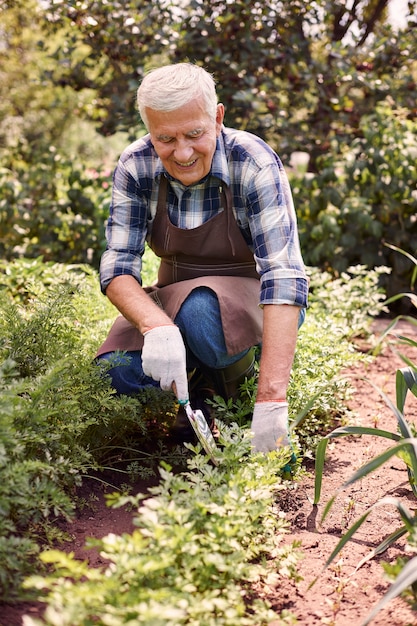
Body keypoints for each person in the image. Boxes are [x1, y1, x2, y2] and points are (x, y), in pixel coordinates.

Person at [96, 62, 308, 453]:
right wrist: (156, 327)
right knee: (117, 373)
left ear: (217, 116)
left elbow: (284, 276)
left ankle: (238, 400)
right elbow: (117, 265)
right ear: (150, 131)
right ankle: (193, 400)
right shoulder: (136, 164)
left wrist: (272, 401)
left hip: (250, 300)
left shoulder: (253, 160)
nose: (182, 152)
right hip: (173, 297)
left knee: (201, 315)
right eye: (165, 138)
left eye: (195, 133)